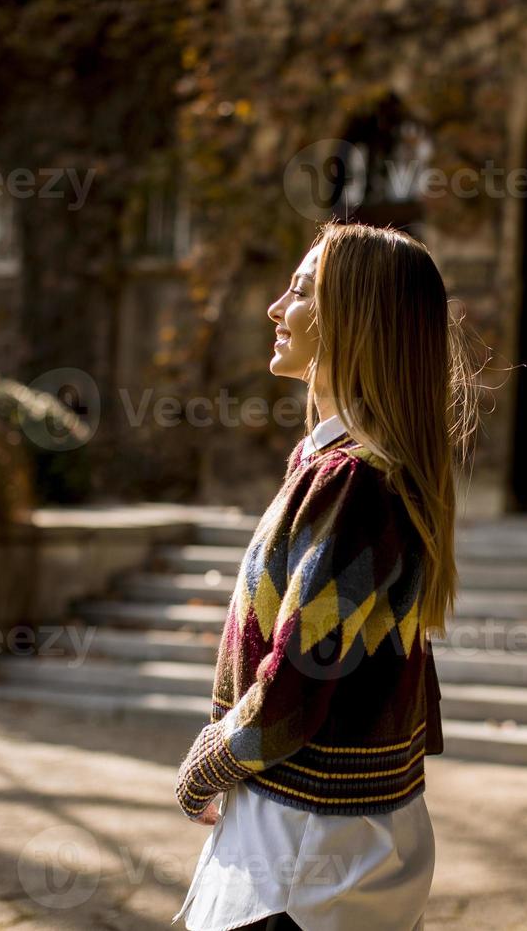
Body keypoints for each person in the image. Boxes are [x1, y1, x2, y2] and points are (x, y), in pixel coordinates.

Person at [171, 220, 484, 931]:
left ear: (356, 320)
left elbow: (299, 678)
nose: (278, 309)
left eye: (301, 290)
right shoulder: (350, 471)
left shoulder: (355, 483)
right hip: (315, 839)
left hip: (304, 855)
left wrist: (207, 765)